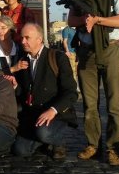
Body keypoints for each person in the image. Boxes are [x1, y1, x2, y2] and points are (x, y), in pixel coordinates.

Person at [67, 0, 119, 166]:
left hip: (111, 49)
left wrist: (97, 20)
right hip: (86, 51)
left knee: (114, 103)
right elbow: (71, 21)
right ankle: (92, 145)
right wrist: (84, 18)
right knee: (89, 103)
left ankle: (114, 148)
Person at [12, 23, 78, 161]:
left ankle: (59, 142)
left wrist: (53, 110)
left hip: (55, 114)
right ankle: (44, 140)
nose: (22, 41)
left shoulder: (57, 57)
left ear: (39, 39)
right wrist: (15, 86)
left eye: (27, 38)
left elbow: (71, 92)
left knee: (44, 133)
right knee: (20, 150)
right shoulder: (23, 60)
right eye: (22, 37)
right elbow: (23, 93)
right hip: (33, 114)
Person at [61, 25, 79, 89]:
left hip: (77, 53)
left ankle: (75, 85)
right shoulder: (67, 29)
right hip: (71, 52)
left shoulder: (77, 29)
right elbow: (64, 41)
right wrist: (67, 51)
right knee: (73, 70)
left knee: (77, 71)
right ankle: (75, 86)